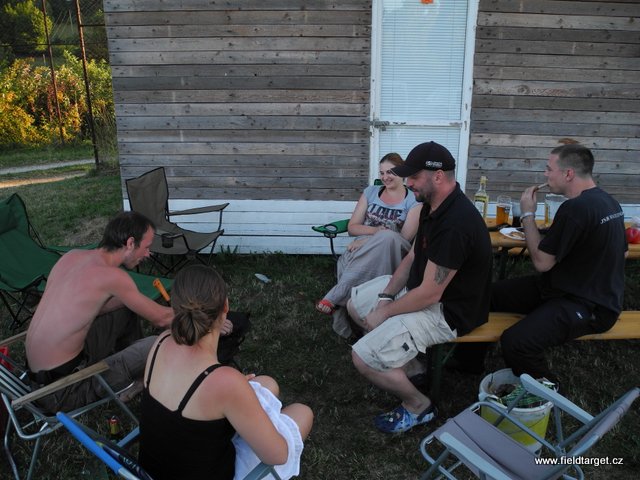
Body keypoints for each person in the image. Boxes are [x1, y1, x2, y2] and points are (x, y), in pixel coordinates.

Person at [346, 141, 493, 433]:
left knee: (362, 358)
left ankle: (419, 405)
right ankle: (415, 369)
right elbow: (413, 257)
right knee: (356, 304)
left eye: (413, 176)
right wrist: (386, 296)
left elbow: (430, 293)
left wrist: (385, 312)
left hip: (447, 311)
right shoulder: (431, 206)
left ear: (438, 176)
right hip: (425, 293)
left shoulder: (456, 223)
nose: (408, 182)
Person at [138, 264, 313, 480]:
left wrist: (238, 392)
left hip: (153, 471)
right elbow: (278, 455)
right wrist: (239, 391)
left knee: (267, 383)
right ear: (226, 306)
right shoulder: (226, 382)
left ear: (174, 308)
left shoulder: (161, 342)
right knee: (302, 412)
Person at [489, 143, 627, 382]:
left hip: (591, 306)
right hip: (561, 287)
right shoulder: (609, 202)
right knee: (487, 294)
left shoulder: (575, 208)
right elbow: (621, 252)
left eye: (549, 169)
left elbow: (542, 263)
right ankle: (467, 363)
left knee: (516, 342)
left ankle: (549, 394)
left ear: (568, 173)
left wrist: (528, 214)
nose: (545, 174)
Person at [25, 211, 174, 412]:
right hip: (64, 390)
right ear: (130, 243)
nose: (148, 254)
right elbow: (163, 319)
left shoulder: (72, 256)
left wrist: (133, 302)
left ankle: (134, 366)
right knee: (158, 344)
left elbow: (81, 307)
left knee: (124, 305)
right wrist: (205, 315)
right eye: (146, 247)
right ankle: (137, 369)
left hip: (39, 379)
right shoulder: (112, 276)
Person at [315, 152, 421, 338]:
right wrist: (374, 232)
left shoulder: (413, 200)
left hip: (393, 251)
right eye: (382, 173)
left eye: (390, 172)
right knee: (381, 239)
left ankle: (338, 295)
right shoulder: (370, 192)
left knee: (388, 237)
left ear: (402, 173)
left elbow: (403, 238)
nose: (385, 177)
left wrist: (368, 239)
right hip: (361, 250)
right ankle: (366, 323)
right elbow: (352, 227)